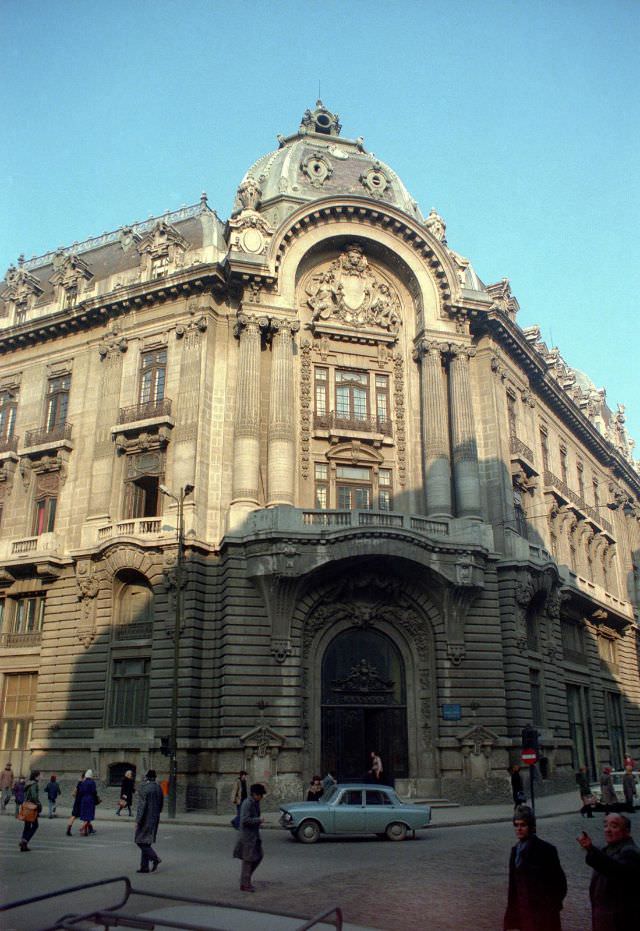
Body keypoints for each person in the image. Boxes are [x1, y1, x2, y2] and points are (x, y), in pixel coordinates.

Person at [504, 806, 567, 931]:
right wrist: (510, 921)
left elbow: (560, 883)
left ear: (531, 827)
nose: (519, 829)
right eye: (516, 825)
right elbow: (513, 889)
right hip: (523, 916)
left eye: (523, 825)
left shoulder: (546, 850)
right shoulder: (515, 851)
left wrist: (550, 909)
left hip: (544, 917)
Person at [577, 812, 640, 930]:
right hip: (605, 919)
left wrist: (591, 849)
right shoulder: (606, 849)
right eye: (606, 825)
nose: (607, 830)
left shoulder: (630, 852)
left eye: (614, 826)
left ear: (627, 831)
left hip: (620, 922)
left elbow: (615, 869)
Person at [233, 782, 266, 892]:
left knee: (259, 856)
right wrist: (259, 820)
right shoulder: (247, 803)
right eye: (260, 795)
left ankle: (245, 879)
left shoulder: (255, 802)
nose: (262, 797)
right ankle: (245, 884)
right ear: (255, 794)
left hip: (254, 836)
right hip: (247, 837)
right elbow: (245, 820)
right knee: (248, 861)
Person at [134, 769, 164, 873]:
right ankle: (144, 867)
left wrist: (138, 821)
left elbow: (141, 806)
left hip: (145, 818)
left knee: (139, 841)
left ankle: (155, 858)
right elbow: (161, 805)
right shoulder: (158, 787)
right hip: (155, 817)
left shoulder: (144, 787)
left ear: (147, 777)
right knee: (146, 842)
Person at [19, 770, 42, 852]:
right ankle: (25, 840)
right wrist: (38, 803)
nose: (40, 777)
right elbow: (34, 796)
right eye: (39, 775)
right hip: (32, 807)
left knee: (27, 826)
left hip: (26, 806)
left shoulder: (29, 783)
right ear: (36, 776)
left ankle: (23, 844)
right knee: (35, 825)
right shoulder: (34, 785)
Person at [77, 769, 99, 836]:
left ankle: (85, 831)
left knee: (85, 815)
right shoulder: (92, 782)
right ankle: (82, 828)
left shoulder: (83, 782)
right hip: (90, 799)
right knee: (89, 815)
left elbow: (80, 791)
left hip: (84, 799)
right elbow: (94, 792)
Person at [67, 772, 86, 836]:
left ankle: (68, 830)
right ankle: (83, 831)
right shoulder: (86, 784)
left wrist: (77, 798)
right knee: (85, 817)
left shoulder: (79, 783)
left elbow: (73, 793)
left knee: (73, 815)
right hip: (83, 802)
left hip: (77, 802)